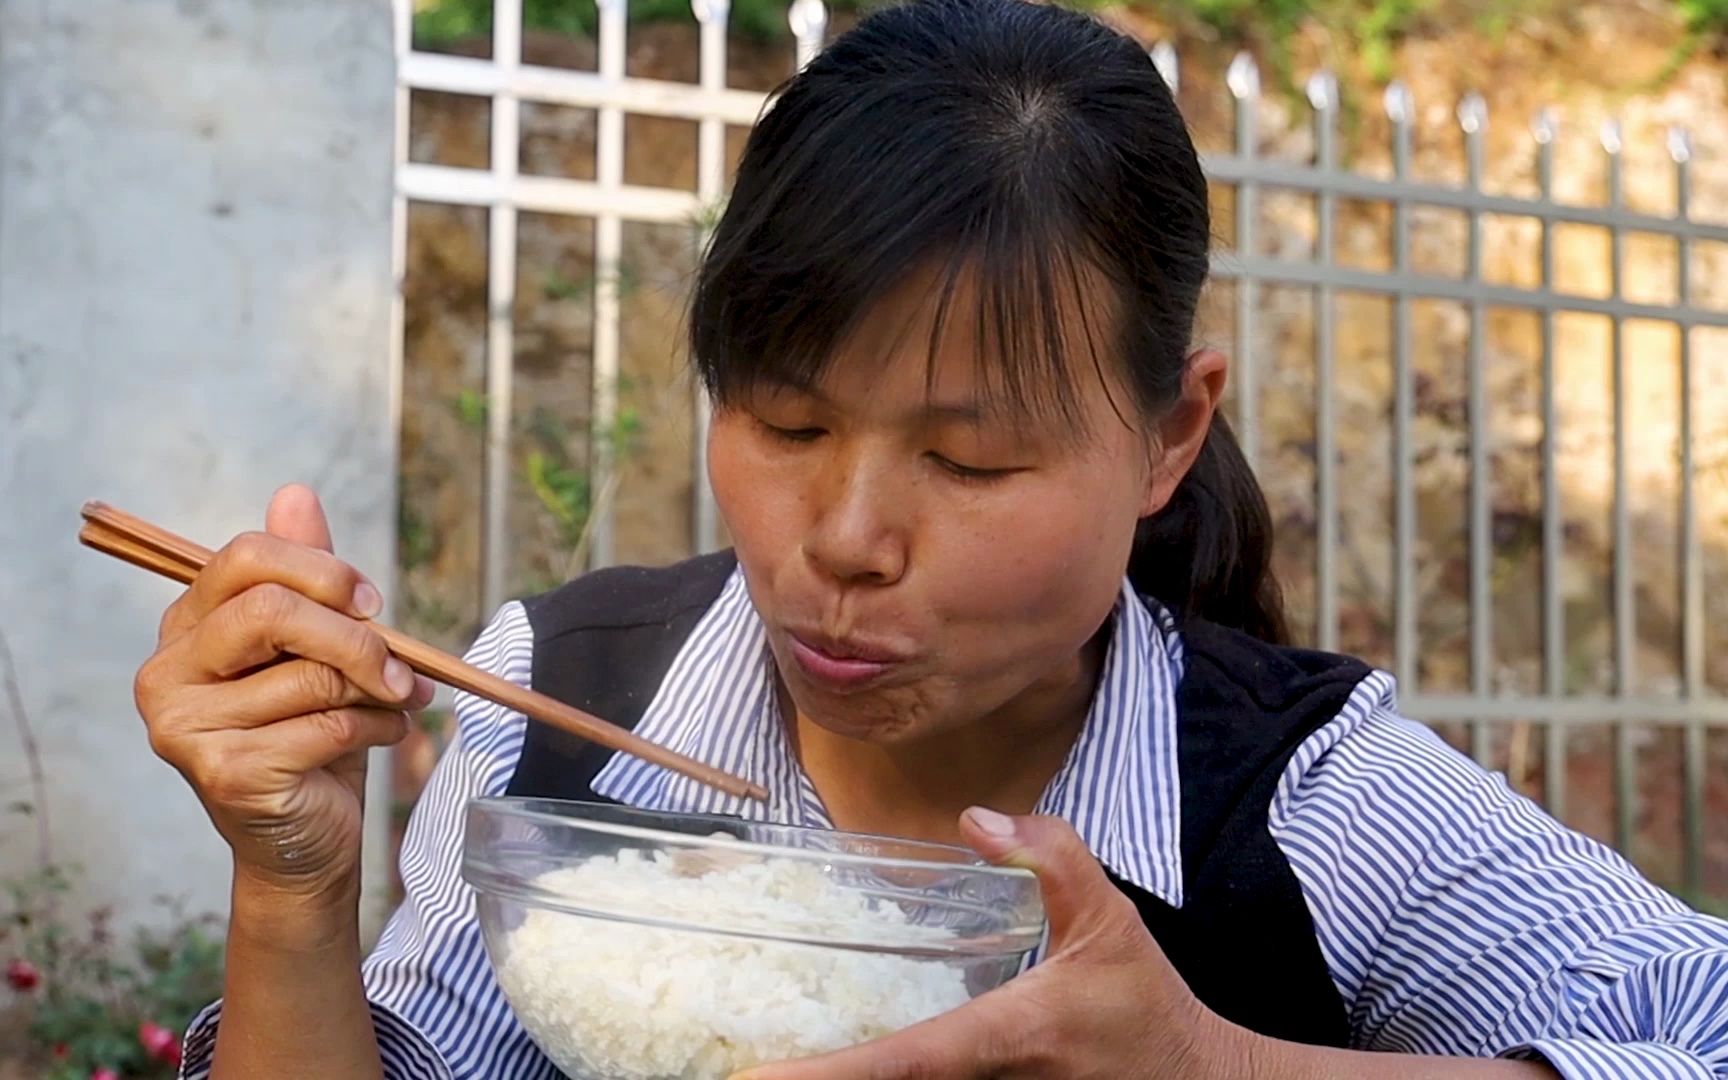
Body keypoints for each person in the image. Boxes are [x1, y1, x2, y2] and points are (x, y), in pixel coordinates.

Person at [140, 0, 1728, 1076]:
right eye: (786, 422)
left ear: (1171, 432)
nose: (839, 540)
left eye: (968, 461)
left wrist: (1216, 1061)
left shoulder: (1307, 800)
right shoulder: (552, 711)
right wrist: (292, 892)